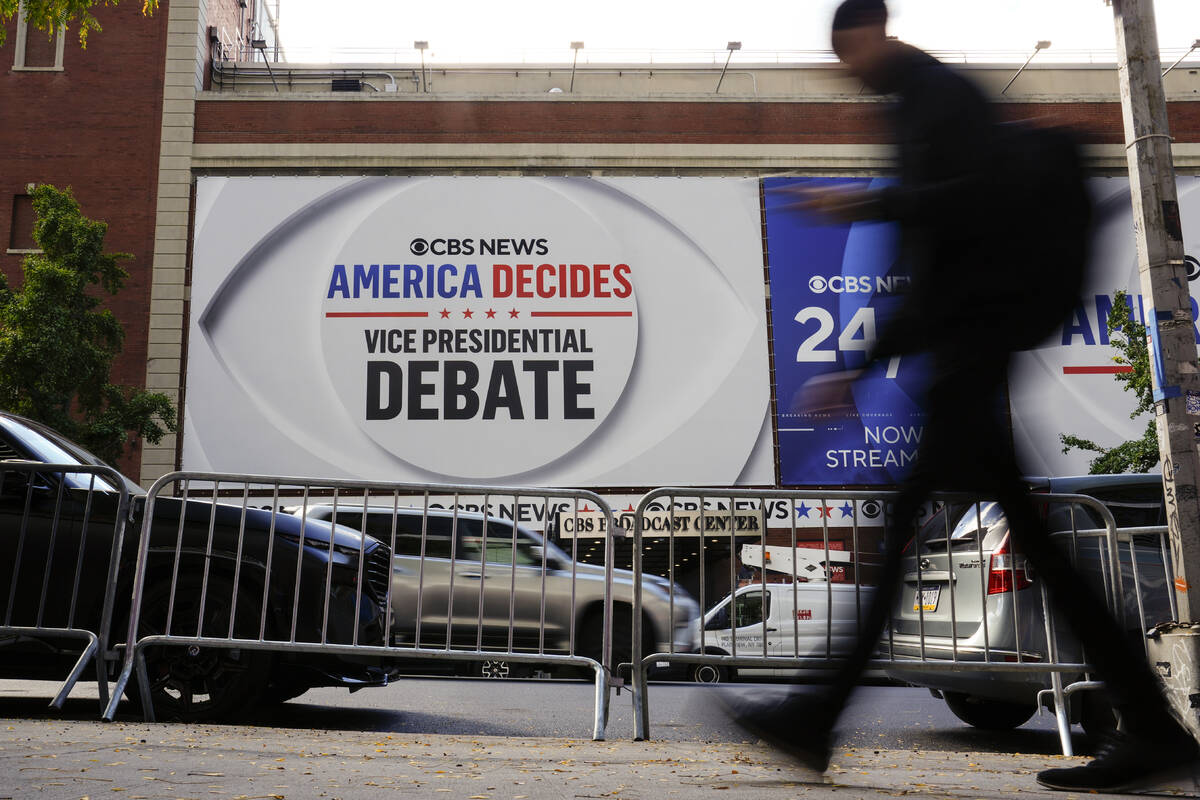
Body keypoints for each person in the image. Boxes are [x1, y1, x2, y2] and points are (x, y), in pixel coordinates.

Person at [721, 0, 1200, 793]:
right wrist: (865, 358)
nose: (843, 70)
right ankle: (1148, 725)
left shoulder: (936, 101)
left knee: (1005, 548)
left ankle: (813, 720)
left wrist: (864, 216)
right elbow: (937, 251)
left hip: (970, 355)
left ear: (867, 36)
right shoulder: (928, 100)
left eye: (845, 52)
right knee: (1015, 547)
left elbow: (959, 220)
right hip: (964, 353)